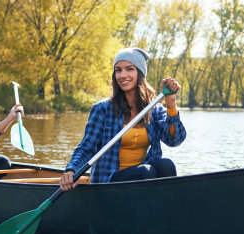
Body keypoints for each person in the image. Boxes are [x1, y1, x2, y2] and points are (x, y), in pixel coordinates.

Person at [60, 47, 186, 190]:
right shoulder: (102, 109)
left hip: (144, 174)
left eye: (129, 69)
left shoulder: (154, 109)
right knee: (145, 172)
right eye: (118, 70)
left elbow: (175, 140)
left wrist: (171, 103)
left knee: (166, 165)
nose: (122, 75)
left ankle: (165, 208)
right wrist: (71, 169)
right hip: (110, 180)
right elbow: (87, 147)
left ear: (140, 73)